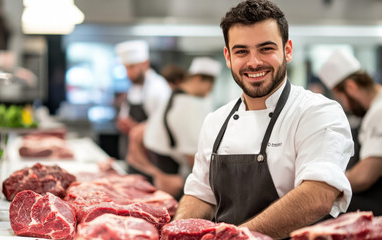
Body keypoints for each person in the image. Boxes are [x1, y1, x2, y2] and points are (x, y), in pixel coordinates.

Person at [172, 1, 354, 238]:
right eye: (241, 51)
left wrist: (235, 237)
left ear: (287, 50)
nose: (254, 62)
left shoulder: (317, 112)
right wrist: (175, 232)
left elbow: (318, 195)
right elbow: (200, 194)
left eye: (266, 49)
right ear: (228, 56)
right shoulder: (215, 120)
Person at [127, 57, 221, 199]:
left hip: (163, 173)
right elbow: (193, 158)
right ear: (198, 79)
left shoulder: (175, 97)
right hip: (171, 179)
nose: (210, 89)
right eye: (210, 84)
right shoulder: (187, 104)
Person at [318, 50, 382, 218]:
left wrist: (325, 184)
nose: (345, 106)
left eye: (341, 98)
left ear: (351, 87)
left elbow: (365, 176)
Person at [115, 40, 171, 174]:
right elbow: (125, 113)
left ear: (145, 63)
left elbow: (163, 125)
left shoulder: (157, 88)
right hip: (133, 156)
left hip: (151, 159)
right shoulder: (133, 87)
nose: (128, 72)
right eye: (126, 68)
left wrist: (136, 128)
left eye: (132, 67)